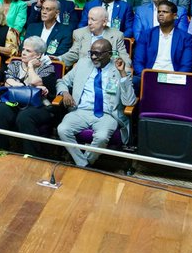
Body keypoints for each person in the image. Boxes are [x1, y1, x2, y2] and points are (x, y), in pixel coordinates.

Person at [57, 38, 137, 167]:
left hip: (107, 114)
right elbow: (62, 82)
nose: (94, 57)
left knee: (101, 137)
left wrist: (122, 73)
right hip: (80, 111)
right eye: (92, 53)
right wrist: (65, 93)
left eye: (98, 54)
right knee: (62, 129)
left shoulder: (121, 70)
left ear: (109, 54)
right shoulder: (82, 64)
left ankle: (84, 163)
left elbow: (130, 101)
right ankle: (84, 164)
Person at [0, 36, 58, 157]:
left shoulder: (48, 68)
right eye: (23, 49)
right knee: (1, 110)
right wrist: (27, 87)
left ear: (38, 55)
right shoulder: (15, 64)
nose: (23, 53)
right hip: (16, 102)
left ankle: (31, 155)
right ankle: (0, 150)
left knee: (25, 116)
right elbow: (8, 82)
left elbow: (36, 82)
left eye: (28, 51)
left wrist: (31, 67)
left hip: (39, 106)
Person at [132, 1, 192, 76]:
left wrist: (175, 79)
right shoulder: (146, 35)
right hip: (149, 76)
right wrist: (145, 77)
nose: (161, 14)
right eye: (159, 12)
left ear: (175, 16)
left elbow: (186, 66)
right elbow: (138, 62)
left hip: (174, 78)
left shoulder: (186, 38)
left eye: (165, 12)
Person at [61, 6, 128, 70]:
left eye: (93, 20)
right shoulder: (80, 33)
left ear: (104, 22)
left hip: (108, 71)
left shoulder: (117, 35)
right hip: (85, 69)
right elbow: (74, 53)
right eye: (88, 19)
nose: (89, 23)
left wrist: (124, 69)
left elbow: (124, 58)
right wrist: (58, 59)